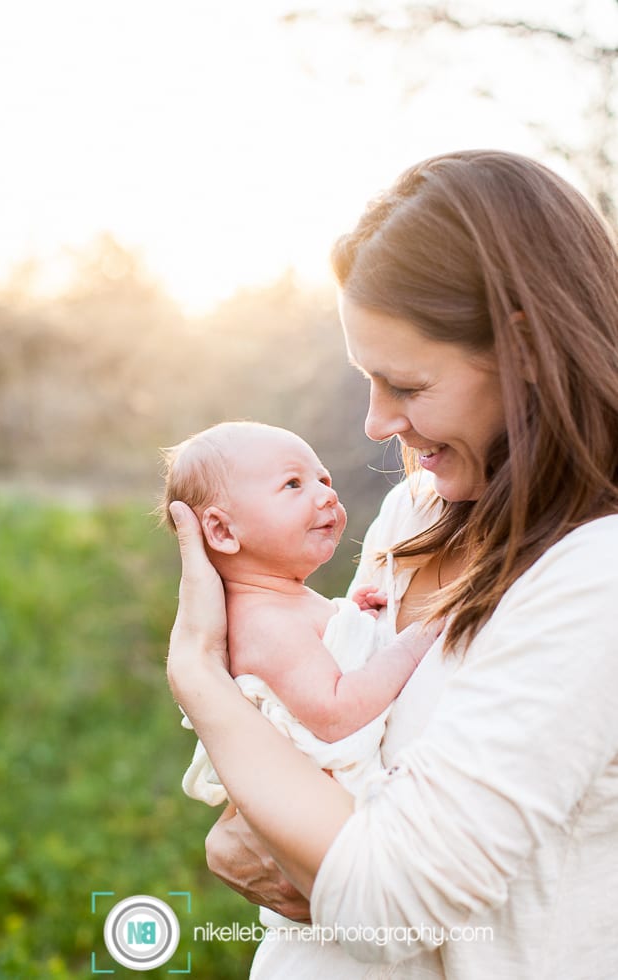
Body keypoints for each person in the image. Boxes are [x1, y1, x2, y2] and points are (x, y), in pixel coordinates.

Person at [164, 149, 618, 979]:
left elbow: (384, 902)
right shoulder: (419, 514)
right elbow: (319, 761)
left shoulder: (597, 578)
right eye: (367, 381)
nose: (376, 423)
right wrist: (248, 827)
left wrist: (198, 673)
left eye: (403, 384)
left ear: (523, 347)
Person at [159, 421, 440, 810]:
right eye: (293, 484)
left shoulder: (279, 604)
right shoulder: (264, 624)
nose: (327, 494)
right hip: (346, 809)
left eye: (323, 479)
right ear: (222, 530)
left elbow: (320, 656)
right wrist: (416, 639)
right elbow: (337, 712)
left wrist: (347, 617)